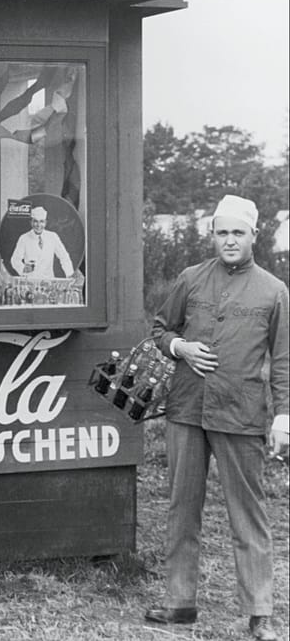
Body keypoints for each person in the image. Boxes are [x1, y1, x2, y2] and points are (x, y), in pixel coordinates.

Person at [145, 194, 288, 641]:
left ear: (254, 236)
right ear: (212, 235)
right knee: (181, 508)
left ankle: (259, 613)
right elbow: (159, 330)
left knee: (248, 513)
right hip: (187, 409)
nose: (229, 240)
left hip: (241, 414)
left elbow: (284, 361)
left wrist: (283, 418)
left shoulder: (274, 291)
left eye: (237, 233)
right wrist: (181, 347)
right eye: (222, 232)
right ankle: (179, 602)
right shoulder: (190, 278)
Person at [9, 205, 74, 278]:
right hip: (30, 280)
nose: (38, 225)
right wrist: (23, 268)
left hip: (49, 280)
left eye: (41, 221)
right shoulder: (24, 238)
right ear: (31, 222)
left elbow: (64, 257)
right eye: (35, 221)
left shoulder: (53, 237)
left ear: (45, 223)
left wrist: (70, 274)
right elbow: (15, 259)